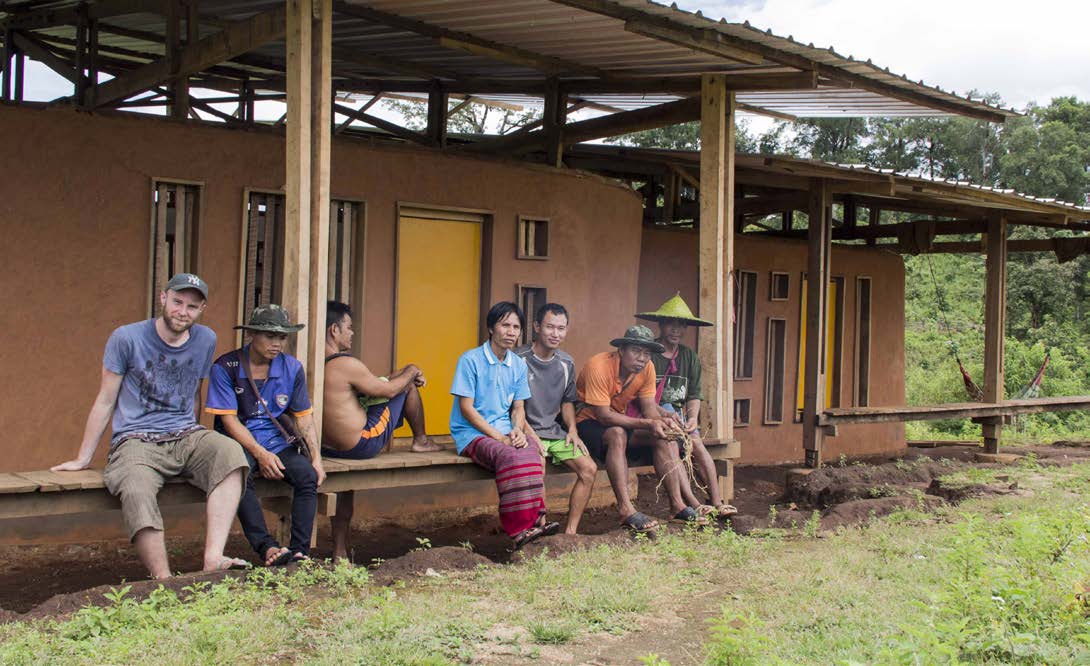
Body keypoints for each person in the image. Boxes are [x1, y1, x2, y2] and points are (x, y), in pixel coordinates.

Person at [52, 273, 249, 578]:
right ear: (163, 298)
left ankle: (213, 557)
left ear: (202, 310)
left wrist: (194, 442)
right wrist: (83, 458)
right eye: (177, 302)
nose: (183, 311)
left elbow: (194, 393)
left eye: (192, 307)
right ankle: (164, 579)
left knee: (230, 454)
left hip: (185, 433)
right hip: (135, 439)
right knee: (135, 486)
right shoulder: (126, 338)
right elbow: (105, 399)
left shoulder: (205, 339)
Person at [205, 305, 326, 566]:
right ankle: (267, 547)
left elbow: (303, 415)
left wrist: (316, 458)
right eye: (270, 336)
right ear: (251, 334)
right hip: (236, 441)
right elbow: (228, 420)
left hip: (275, 441)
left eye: (282, 337)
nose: (277, 343)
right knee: (238, 475)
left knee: (307, 476)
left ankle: (299, 553)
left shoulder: (292, 368)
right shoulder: (225, 366)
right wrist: (260, 455)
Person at [322, 300, 439, 560]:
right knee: (406, 385)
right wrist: (411, 370)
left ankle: (340, 550)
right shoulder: (345, 364)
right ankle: (421, 440)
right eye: (349, 328)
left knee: (400, 379)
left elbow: (376, 384)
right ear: (334, 330)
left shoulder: (316, 363)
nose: (353, 333)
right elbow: (387, 390)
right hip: (361, 443)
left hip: (329, 448)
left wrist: (402, 374)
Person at [575, 325, 707, 533]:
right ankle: (625, 509)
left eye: (647, 353)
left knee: (664, 438)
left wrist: (661, 425)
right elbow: (604, 415)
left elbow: (649, 410)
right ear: (621, 350)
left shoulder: (648, 368)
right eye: (636, 351)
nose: (642, 358)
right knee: (617, 434)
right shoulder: (598, 366)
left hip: (621, 420)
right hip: (588, 422)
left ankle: (677, 506)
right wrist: (647, 424)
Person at [451, 302, 559, 549]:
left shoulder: (518, 364)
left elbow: (518, 407)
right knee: (511, 456)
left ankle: (537, 520)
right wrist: (501, 439)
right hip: (471, 433)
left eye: (516, 327)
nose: (511, 332)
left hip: (504, 429)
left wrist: (518, 432)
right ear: (491, 327)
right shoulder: (470, 360)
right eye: (505, 325)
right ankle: (519, 529)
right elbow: (466, 410)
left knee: (532, 450)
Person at [637, 294, 737, 517]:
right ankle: (692, 502)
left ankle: (718, 501)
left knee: (697, 444)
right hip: (656, 416)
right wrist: (669, 417)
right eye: (671, 323)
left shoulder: (689, 357)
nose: (676, 329)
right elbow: (644, 400)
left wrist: (692, 418)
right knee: (673, 445)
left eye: (681, 324)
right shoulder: (648, 354)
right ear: (661, 324)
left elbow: (694, 394)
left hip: (680, 417)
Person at [515, 303, 598, 535]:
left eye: (561, 328)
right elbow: (513, 406)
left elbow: (567, 402)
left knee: (589, 469)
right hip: (524, 430)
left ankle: (570, 533)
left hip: (554, 432)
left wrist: (572, 429)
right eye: (550, 327)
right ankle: (540, 529)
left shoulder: (566, 362)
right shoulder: (518, 359)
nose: (555, 334)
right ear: (536, 327)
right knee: (537, 465)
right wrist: (530, 435)